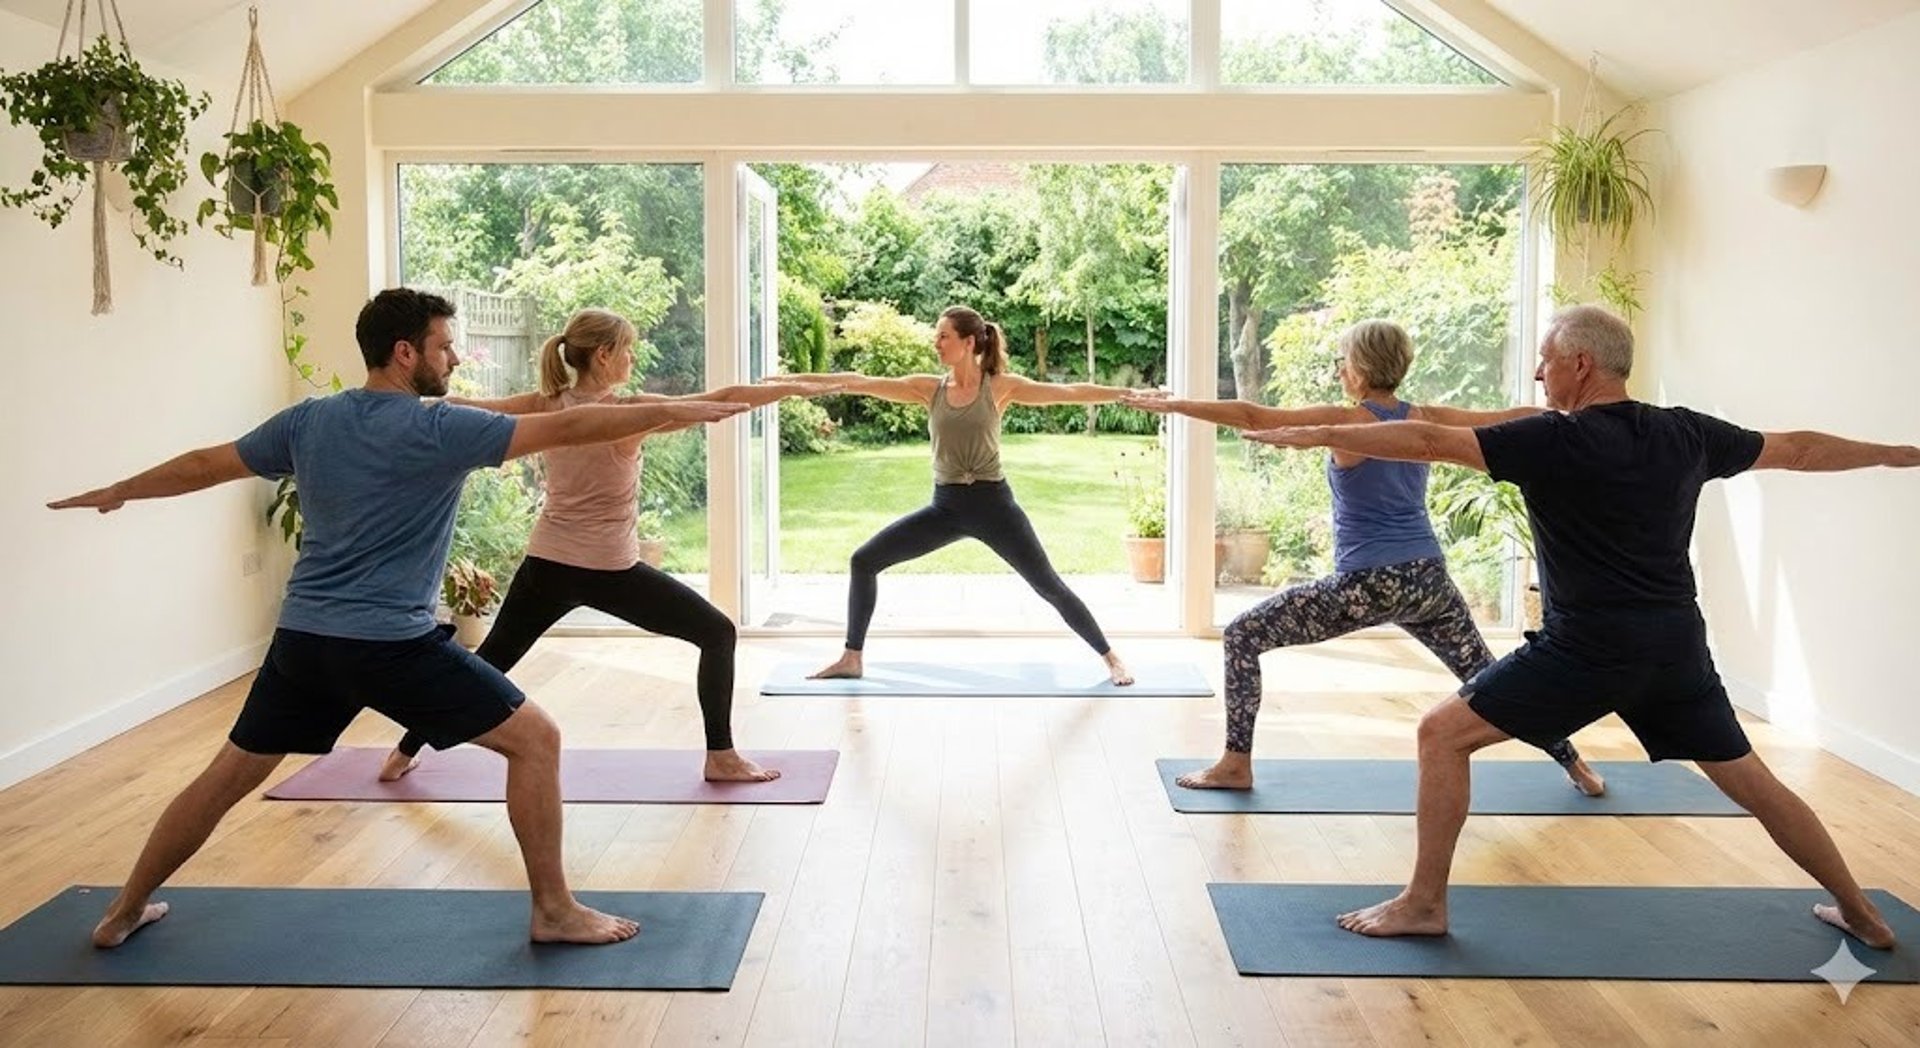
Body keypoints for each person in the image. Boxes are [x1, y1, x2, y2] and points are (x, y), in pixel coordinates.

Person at [49, 288, 747, 950]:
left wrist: (120, 491)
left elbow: (209, 463)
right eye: (445, 346)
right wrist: (681, 409)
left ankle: (123, 909)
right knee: (536, 742)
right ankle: (555, 910)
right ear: (405, 353)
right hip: (391, 643)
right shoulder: (438, 427)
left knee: (228, 775)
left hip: (304, 640)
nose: (454, 359)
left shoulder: (309, 419)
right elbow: (570, 424)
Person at [1248, 305, 1912, 947]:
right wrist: (1898, 453)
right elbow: (1796, 450)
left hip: (1588, 648)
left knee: (1440, 735)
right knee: (1753, 781)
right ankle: (1861, 912)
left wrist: (1320, 432)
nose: (1539, 376)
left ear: (1581, 363)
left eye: (1545, 360)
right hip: (1675, 647)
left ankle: (1423, 904)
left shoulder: (1551, 438)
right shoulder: (1686, 432)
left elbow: (1427, 441)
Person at [1121, 319, 1603, 796]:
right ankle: (1576, 764)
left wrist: (1175, 405)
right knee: (1486, 675)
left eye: (1342, 362)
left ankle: (1234, 764)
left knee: (1243, 636)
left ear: (1359, 367)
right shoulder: (1425, 417)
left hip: (1368, 582)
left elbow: (1253, 416)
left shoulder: (1351, 420)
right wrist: (1574, 418)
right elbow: (1506, 416)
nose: (1339, 371)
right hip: (1427, 580)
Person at [379, 308, 835, 785]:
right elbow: (722, 398)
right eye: (627, 349)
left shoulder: (545, 404)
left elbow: (467, 408)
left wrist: (400, 404)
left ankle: (401, 752)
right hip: (608, 570)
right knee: (717, 633)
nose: (633, 357)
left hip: (548, 565)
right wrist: (790, 389)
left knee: (489, 659)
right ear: (603, 355)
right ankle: (720, 756)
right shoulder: (625, 414)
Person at [784, 306, 1138, 686]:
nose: (936, 343)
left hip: (995, 507)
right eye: (937, 336)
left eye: (943, 336)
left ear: (968, 343)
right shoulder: (929, 388)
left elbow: (1068, 392)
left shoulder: (999, 386)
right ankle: (852, 657)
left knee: (1048, 585)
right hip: (946, 508)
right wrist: (791, 383)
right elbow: (858, 381)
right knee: (864, 560)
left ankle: (1112, 658)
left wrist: (1127, 394)